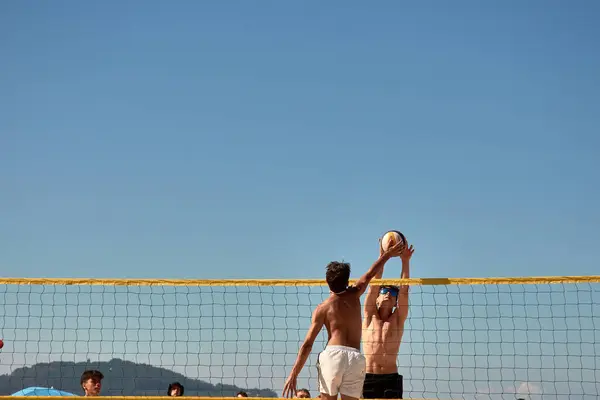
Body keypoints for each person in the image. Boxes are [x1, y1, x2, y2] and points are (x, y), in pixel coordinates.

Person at [282, 240, 406, 400]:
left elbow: (307, 345)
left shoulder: (323, 308)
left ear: (327, 283)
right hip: (355, 357)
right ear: (347, 281)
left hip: (333, 355)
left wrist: (293, 374)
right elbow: (370, 273)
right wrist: (386, 255)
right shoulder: (354, 293)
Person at [361, 239, 415, 399]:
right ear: (377, 298)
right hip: (369, 376)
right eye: (384, 291)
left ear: (395, 301)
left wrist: (405, 261)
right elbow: (374, 284)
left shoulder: (397, 319)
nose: (387, 295)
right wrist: (383, 257)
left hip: (391, 377)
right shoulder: (369, 315)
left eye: (392, 294)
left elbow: (404, 290)